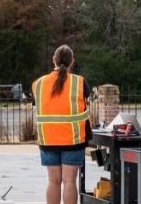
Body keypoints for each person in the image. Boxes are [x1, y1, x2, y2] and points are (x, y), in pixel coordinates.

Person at [32, 45, 91, 204]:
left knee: (53, 181)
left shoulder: (38, 83)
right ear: (72, 62)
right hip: (72, 139)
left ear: (54, 60)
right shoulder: (79, 82)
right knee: (70, 182)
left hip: (48, 139)